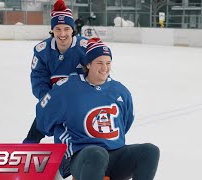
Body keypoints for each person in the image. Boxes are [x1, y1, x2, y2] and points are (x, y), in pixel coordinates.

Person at [36, 38, 160, 180]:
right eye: (99, 63)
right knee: (96, 153)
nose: (104, 68)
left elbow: (125, 122)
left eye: (108, 63)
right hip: (81, 156)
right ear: (88, 64)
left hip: (115, 154)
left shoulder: (120, 90)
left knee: (150, 151)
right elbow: (43, 118)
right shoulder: (67, 88)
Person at [22, 0, 88, 144]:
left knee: (78, 138)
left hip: (82, 104)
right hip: (54, 101)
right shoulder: (42, 50)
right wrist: (50, 100)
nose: (62, 33)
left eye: (66, 28)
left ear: (73, 29)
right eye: (58, 29)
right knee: (36, 130)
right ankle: (26, 154)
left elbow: (98, 75)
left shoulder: (86, 48)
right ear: (52, 30)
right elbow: (38, 80)